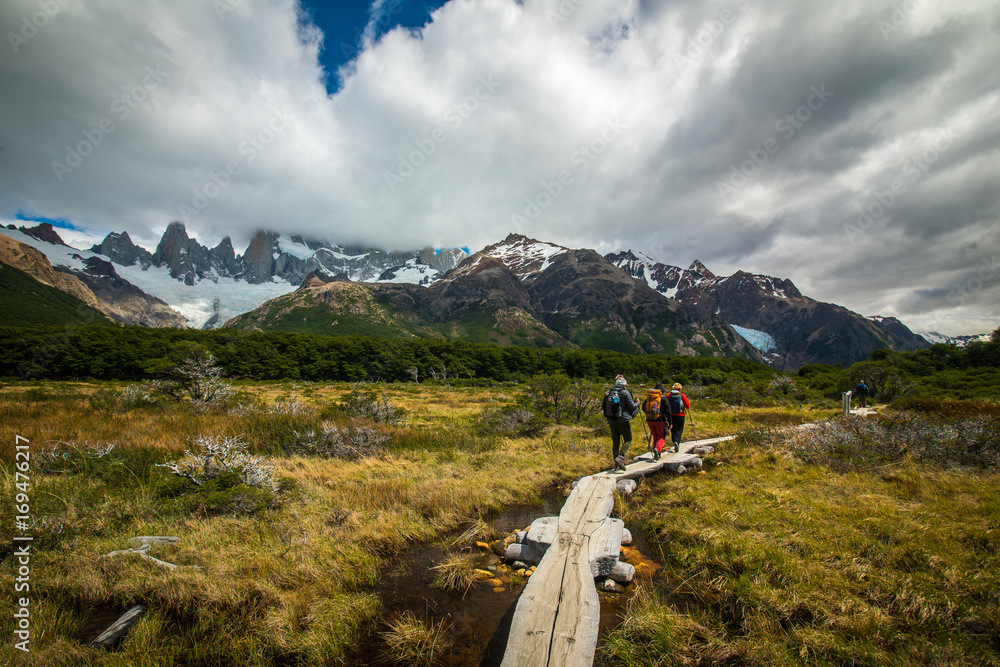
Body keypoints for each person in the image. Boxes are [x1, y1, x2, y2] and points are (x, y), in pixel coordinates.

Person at [603, 374, 640, 471]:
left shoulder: (609, 392)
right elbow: (632, 406)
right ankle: (621, 457)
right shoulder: (625, 392)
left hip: (611, 420)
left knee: (616, 442)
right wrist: (638, 403)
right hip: (622, 420)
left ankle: (616, 464)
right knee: (628, 438)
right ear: (624, 384)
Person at [642, 383, 669, 460]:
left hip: (650, 420)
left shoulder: (649, 398)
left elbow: (644, 407)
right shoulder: (663, 399)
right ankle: (657, 449)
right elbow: (668, 411)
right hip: (660, 420)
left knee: (655, 436)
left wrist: (649, 415)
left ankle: (656, 452)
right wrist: (670, 422)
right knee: (661, 436)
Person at [667, 382, 692, 453]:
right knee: (679, 429)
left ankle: (674, 441)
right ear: (680, 389)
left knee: (673, 429)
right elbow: (688, 406)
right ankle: (677, 442)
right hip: (680, 415)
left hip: (671, 415)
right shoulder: (682, 396)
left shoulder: (668, 395)